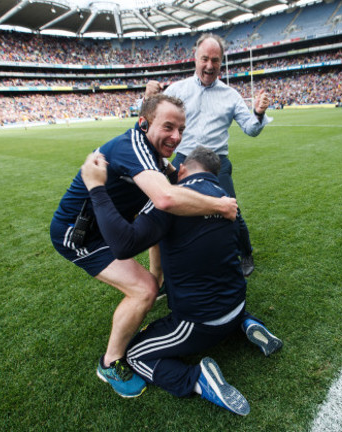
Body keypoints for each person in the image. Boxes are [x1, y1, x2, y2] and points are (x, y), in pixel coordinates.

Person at [50, 94, 238, 398]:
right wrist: (221, 204)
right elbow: (165, 198)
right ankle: (109, 363)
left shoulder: (153, 156)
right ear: (143, 122)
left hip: (107, 226)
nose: (176, 137)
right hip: (79, 236)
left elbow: (172, 189)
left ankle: (158, 283)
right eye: (168, 127)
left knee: (152, 275)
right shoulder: (133, 146)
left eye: (181, 129)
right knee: (143, 290)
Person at [80, 145, 283, 415]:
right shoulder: (226, 199)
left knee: (134, 354)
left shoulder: (172, 202)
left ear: (183, 169)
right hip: (237, 302)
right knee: (217, 273)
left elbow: (123, 244)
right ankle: (247, 323)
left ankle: (198, 380)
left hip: (202, 322)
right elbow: (241, 242)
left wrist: (96, 188)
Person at [145, 33, 271, 277]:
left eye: (215, 60)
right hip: (183, 159)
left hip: (217, 163)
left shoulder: (231, 95)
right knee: (167, 208)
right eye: (205, 59)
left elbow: (251, 129)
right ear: (195, 59)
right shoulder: (177, 90)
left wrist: (257, 113)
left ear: (221, 62)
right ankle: (170, 264)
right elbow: (152, 117)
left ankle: (245, 253)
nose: (209, 66)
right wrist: (148, 97)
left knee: (231, 210)